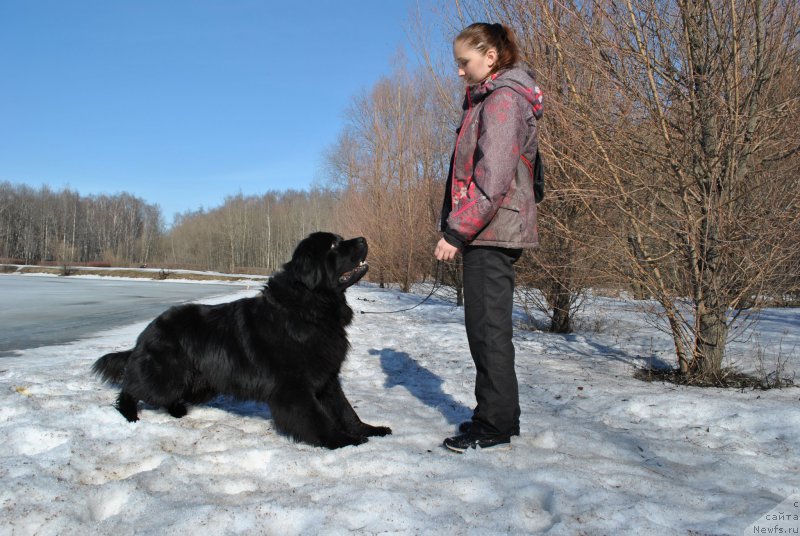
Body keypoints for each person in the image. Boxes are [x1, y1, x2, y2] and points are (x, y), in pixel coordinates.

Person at [434, 22, 543, 452]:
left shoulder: (501, 101)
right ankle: (495, 416)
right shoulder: (491, 100)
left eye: (465, 62)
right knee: (485, 328)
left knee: (488, 330)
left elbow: (492, 177)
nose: (459, 71)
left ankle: (495, 425)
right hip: (490, 228)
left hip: (489, 230)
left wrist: (457, 231)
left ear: (491, 57)